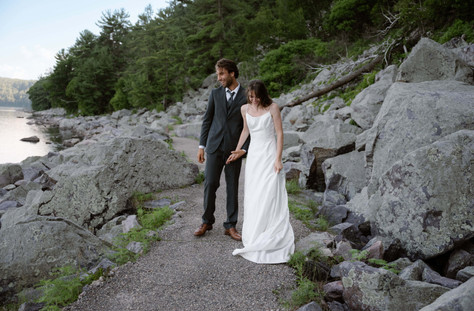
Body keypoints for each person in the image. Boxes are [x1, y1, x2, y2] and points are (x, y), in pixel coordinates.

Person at [226, 80, 295, 264]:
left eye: (257, 97)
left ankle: (271, 231)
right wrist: (238, 149)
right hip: (254, 157)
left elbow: (279, 133)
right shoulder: (244, 109)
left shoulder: (273, 108)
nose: (254, 100)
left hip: (269, 154)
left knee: (270, 192)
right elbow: (246, 131)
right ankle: (255, 233)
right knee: (254, 195)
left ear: (263, 95)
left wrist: (278, 159)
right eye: (251, 97)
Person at [194, 58, 250, 241]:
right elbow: (207, 120)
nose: (219, 78)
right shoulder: (215, 94)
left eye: (221, 74)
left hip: (234, 149)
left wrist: (244, 149)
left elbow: (250, 126)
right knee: (210, 184)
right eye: (218, 74)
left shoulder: (246, 95)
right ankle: (206, 221)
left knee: (233, 187)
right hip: (214, 146)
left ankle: (231, 225)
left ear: (232, 73)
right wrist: (202, 146)